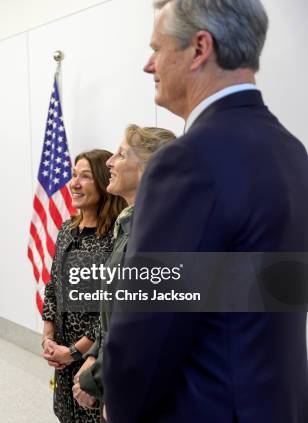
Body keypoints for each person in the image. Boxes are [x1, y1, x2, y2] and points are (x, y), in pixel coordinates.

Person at [103, 1, 308, 422]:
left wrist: (117, 407)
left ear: (199, 48)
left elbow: (148, 330)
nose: (148, 64)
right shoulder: (291, 150)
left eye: (157, 48)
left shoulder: (187, 160)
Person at [70, 126, 175, 420]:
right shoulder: (130, 224)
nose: (109, 162)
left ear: (147, 169)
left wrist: (97, 379)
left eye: (121, 154)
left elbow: (140, 325)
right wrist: (95, 360)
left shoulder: (157, 232)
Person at [41, 149, 125, 423]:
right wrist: (48, 337)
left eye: (85, 176)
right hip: (62, 359)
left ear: (103, 182)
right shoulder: (67, 230)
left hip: (94, 360)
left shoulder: (116, 237)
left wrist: (75, 351)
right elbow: (53, 286)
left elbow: (111, 307)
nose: (74, 183)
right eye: (74, 175)